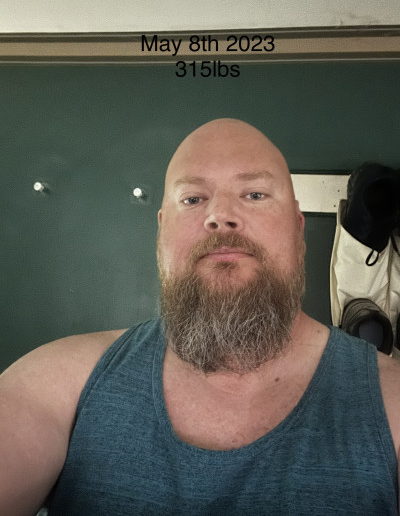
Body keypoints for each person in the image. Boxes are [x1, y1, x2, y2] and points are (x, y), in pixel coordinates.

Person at [1, 118, 399, 515]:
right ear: (161, 232)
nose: (220, 215)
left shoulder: (392, 401)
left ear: (298, 230)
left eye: (255, 194)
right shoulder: (57, 384)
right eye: (192, 199)